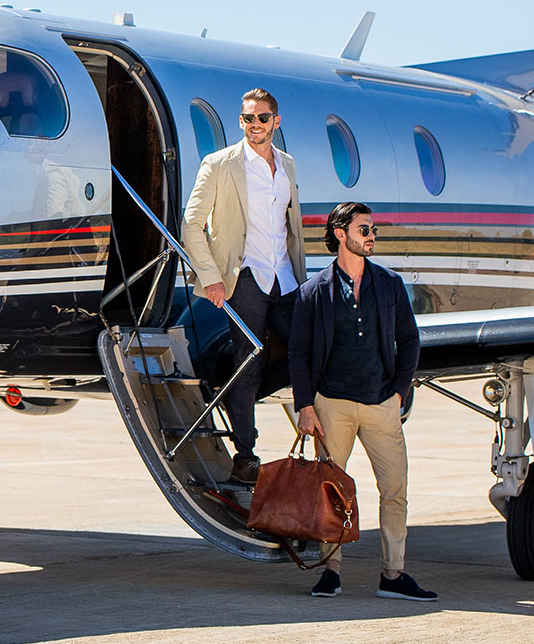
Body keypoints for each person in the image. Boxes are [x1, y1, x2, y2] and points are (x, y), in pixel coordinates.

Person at [288, 201, 434, 601]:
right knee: (332, 492)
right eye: (364, 229)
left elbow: (409, 340)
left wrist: (398, 392)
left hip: (380, 404)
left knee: (394, 488)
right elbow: (298, 353)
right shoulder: (313, 291)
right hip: (331, 406)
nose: (372, 236)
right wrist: (305, 406)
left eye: (373, 230)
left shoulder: (389, 284)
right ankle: (331, 570)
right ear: (341, 234)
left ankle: (393, 574)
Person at [181, 88, 305, 485]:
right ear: (241, 122)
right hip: (245, 277)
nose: (255, 125)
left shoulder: (287, 166)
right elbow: (191, 224)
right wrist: (211, 277)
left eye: (263, 118)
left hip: (284, 277)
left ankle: (233, 396)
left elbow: (290, 227)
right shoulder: (219, 164)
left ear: (276, 122)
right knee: (249, 359)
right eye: (248, 118)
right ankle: (246, 455)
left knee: (306, 350)